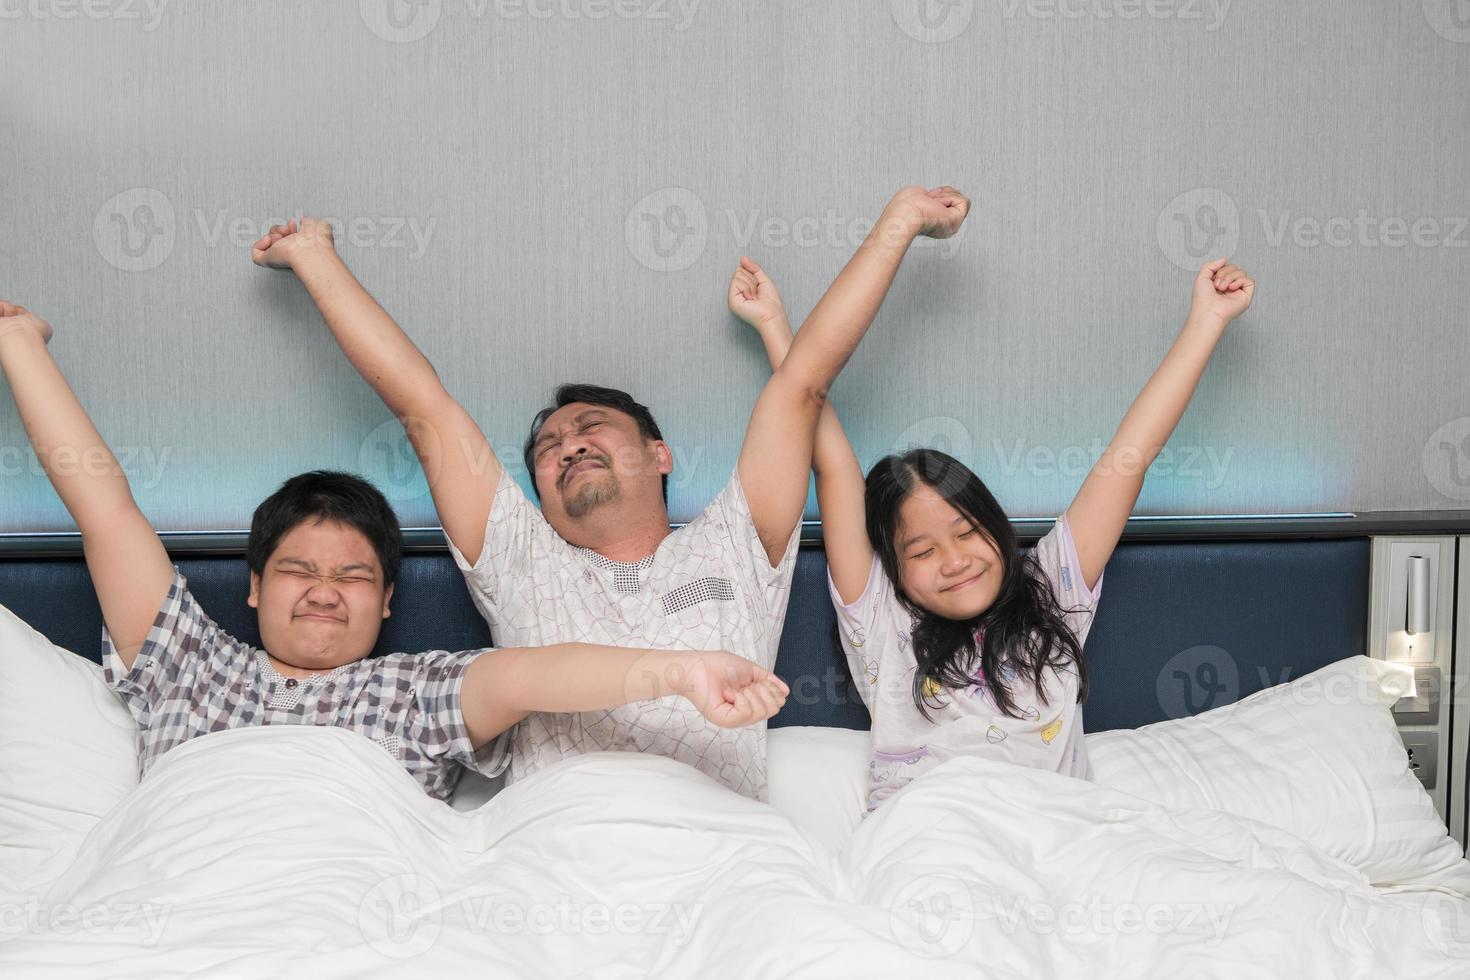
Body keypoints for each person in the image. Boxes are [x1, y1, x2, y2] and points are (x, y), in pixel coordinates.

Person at [250, 184, 971, 799]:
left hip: (722, 854)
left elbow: (804, 382)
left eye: (592, 428)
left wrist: (899, 224)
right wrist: (316, 260)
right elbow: (422, 405)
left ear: (659, 454)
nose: (569, 447)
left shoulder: (735, 543)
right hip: (562, 851)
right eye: (548, 450)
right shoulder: (520, 558)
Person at [0, 303, 788, 802]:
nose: (321, 591)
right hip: (180, 882)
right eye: (298, 572)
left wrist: (681, 672)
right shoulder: (188, 663)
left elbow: (532, 673)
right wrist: (20, 347)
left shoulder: (412, 690)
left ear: (386, 600)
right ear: (251, 589)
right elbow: (104, 513)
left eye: (352, 575)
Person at [729, 254, 1255, 811]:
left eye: (966, 532)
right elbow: (831, 463)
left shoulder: (1051, 590)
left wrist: (1208, 322)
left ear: (996, 527)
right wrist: (774, 327)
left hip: (1058, 832)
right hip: (937, 835)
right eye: (923, 550)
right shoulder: (881, 618)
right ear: (895, 568)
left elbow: (1128, 459)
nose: (954, 560)